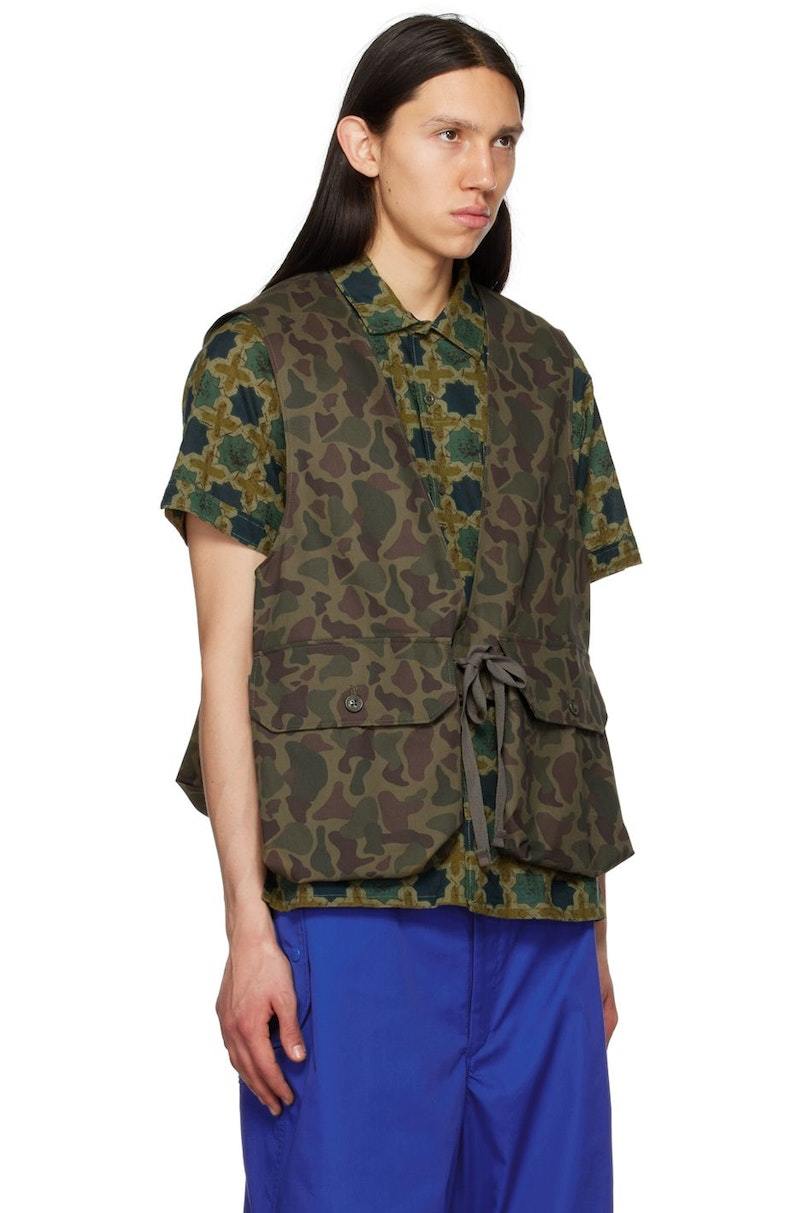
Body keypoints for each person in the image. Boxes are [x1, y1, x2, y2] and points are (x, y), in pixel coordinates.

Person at [160, 14, 642, 1212]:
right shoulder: (260, 356)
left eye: (504, 141)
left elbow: (562, 652)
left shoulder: (547, 367)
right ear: (363, 145)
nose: (483, 172)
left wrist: (589, 926)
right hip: (346, 895)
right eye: (448, 136)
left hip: (538, 905)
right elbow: (225, 667)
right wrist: (248, 929)